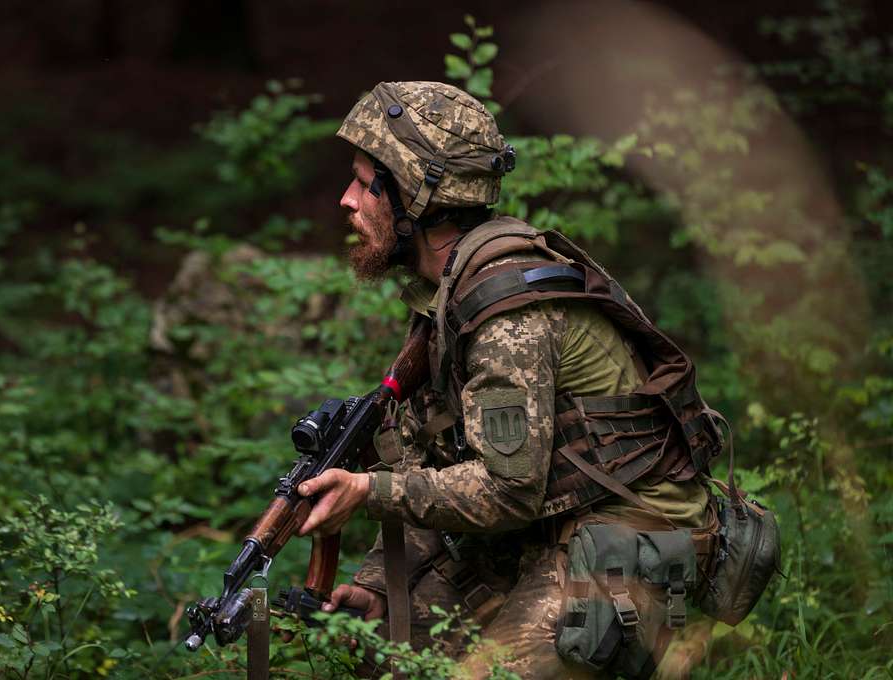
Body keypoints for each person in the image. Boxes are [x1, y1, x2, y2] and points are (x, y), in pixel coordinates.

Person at [293, 81, 722, 679]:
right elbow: (425, 459)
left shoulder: (503, 313)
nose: (346, 200)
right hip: (548, 524)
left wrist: (369, 491)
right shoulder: (443, 299)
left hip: (633, 532)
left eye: (366, 184)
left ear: (420, 195)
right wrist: (378, 588)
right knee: (372, 641)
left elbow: (508, 490)